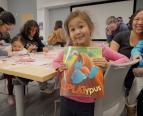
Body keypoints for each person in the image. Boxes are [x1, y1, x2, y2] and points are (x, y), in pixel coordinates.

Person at [52, 10, 129, 116]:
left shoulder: (100, 49)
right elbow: (55, 61)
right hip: (66, 98)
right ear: (69, 34)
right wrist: (59, 67)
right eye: (72, 29)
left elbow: (125, 59)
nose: (77, 32)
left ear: (90, 28)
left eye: (81, 26)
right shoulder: (69, 51)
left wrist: (108, 64)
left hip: (87, 101)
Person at [110, 9, 143, 116]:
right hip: (119, 82)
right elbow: (110, 59)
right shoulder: (120, 36)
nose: (140, 23)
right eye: (137, 19)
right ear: (132, 20)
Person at [3, 35, 27, 106]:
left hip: (20, 70)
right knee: (10, 79)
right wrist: (11, 54)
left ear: (23, 46)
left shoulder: (24, 50)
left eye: (19, 47)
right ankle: (10, 95)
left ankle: (22, 95)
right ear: (11, 45)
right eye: (14, 46)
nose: (17, 48)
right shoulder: (7, 50)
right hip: (9, 70)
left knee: (22, 78)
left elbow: (26, 55)